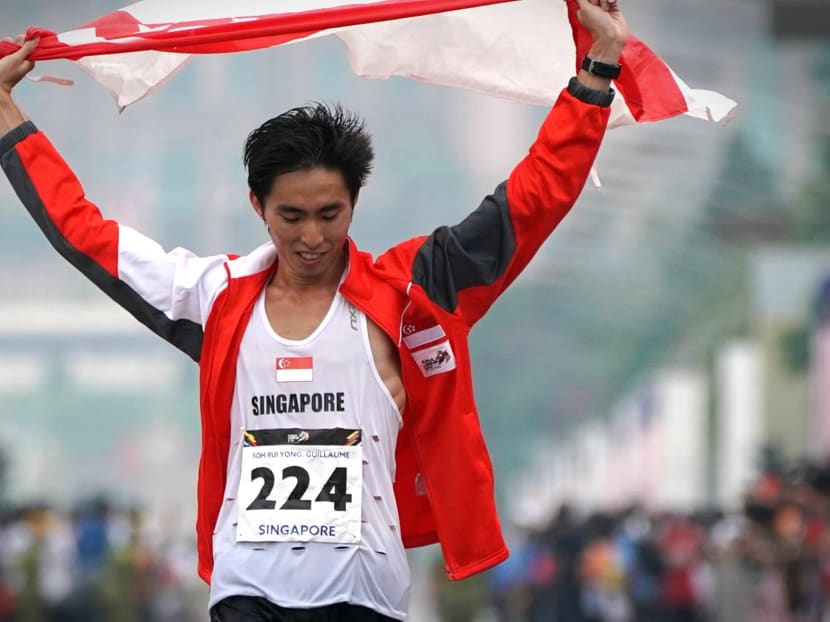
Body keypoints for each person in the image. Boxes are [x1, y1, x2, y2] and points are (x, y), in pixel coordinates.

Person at [0, 0, 628, 619]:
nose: (311, 238)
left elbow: (530, 201)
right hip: (246, 591)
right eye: (290, 217)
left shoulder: (414, 291)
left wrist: (597, 70)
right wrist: (6, 116)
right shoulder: (216, 297)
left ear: (355, 202)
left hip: (363, 595)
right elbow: (85, 233)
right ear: (257, 206)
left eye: (330, 214)